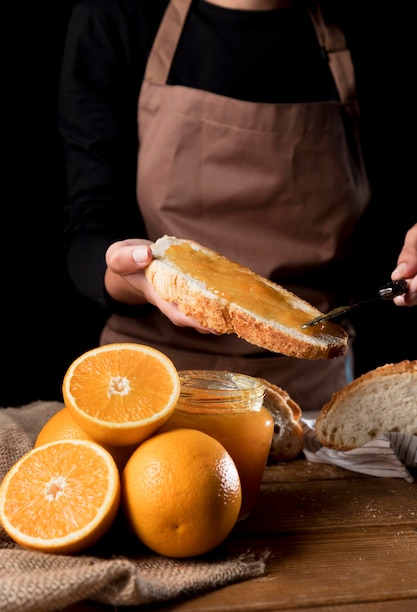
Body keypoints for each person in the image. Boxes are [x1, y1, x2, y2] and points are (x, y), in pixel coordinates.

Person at [59, 0, 416, 411]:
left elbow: (388, 223)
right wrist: (131, 275)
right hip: (146, 381)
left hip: (313, 399)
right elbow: (89, 227)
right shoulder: (116, 16)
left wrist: (409, 255)